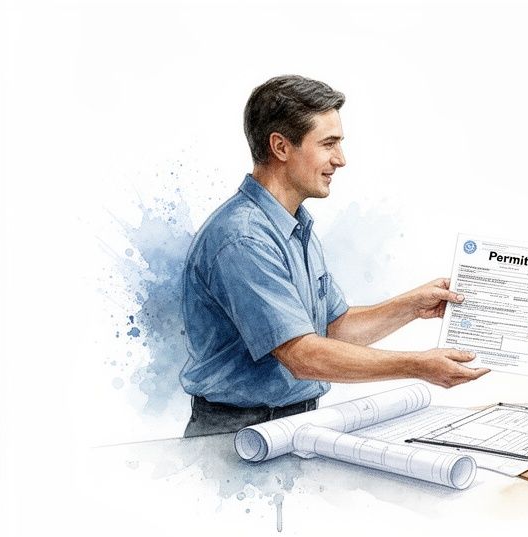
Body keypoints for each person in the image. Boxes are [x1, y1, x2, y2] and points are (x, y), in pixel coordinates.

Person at [180, 75, 488, 437]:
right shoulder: (243, 238)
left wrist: (412, 306)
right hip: (236, 434)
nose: (340, 160)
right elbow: (303, 355)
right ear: (280, 146)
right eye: (329, 144)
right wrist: (417, 365)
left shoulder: (294, 226)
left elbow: (332, 330)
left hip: (288, 424)